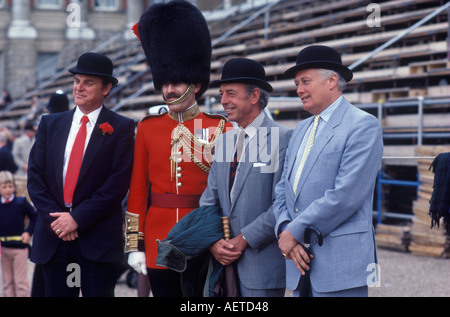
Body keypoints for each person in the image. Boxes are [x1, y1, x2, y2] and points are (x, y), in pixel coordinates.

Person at [125, 0, 232, 297]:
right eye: (165, 83)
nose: (169, 90)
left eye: (176, 83)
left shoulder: (221, 127)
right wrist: (135, 244)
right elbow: (137, 191)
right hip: (159, 238)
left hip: (203, 237)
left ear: (195, 85)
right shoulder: (147, 127)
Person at [273, 45, 383, 297]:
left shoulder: (363, 125)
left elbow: (346, 195)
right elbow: (282, 190)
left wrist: (294, 231)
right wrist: (284, 229)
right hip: (299, 263)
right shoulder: (300, 130)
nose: (299, 89)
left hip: (340, 266)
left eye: (305, 81)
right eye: (297, 83)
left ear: (332, 80)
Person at [27, 52, 135, 297]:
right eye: (77, 81)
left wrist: (77, 218)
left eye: (88, 83)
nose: (79, 87)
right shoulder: (50, 124)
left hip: (96, 240)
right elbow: (35, 178)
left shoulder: (121, 127)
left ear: (106, 88)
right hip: (54, 238)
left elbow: (117, 184)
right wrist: (58, 221)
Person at [199, 58, 292, 297]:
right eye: (221, 94)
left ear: (254, 96)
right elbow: (209, 200)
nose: (223, 101)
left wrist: (243, 239)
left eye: (230, 93)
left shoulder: (282, 138)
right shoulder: (224, 141)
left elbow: (282, 204)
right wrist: (213, 242)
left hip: (261, 267)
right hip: (221, 264)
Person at [0, 171, 37, 297]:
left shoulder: (21, 202)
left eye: (10, 186)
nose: (8, 189)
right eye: (4, 187)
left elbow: (35, 217)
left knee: (20, 282)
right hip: (3, 249)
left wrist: (28, 232)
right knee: (7, 282)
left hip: (20, 249)